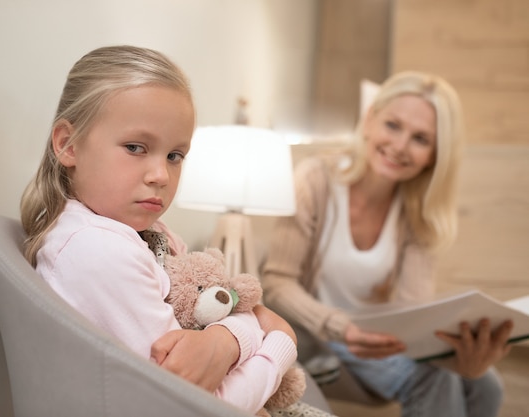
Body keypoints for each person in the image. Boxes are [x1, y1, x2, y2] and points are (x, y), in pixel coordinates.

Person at [20, 45, 332, 417]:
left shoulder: (147, 234)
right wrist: (279, 341)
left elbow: (222, 306)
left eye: (175, 156)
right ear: (67, 144)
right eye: (136, 147)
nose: (161, 176)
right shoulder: (97, 250)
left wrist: (226, 338)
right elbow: (202, 406)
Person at [261, 71, 514, 417]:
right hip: (316, 334)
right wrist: (339, 326)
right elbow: (277, 282)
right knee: (436, 379)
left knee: (486, 382)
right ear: (369, 120)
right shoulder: (315, 180)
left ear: (434, 155)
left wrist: (461, 359)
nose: (399, 146)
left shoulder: (416, 213)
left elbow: (414, 308)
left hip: (373, 337)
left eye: (421, 139)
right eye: (393, 125)